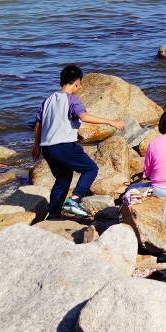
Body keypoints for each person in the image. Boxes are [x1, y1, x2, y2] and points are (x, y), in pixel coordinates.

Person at [36, 64, 122, 221]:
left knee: (62, 179)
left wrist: (35, 146)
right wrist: (111, 122)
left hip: (47, 148)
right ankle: (74, 201)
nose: (80, 86)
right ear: (76, 83)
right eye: (80, 84)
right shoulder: (72, 100)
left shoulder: (47, 100)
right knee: (90, 169)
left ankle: (53, 215)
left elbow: (38, 124)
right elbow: (84, 117)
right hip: (64, 145)